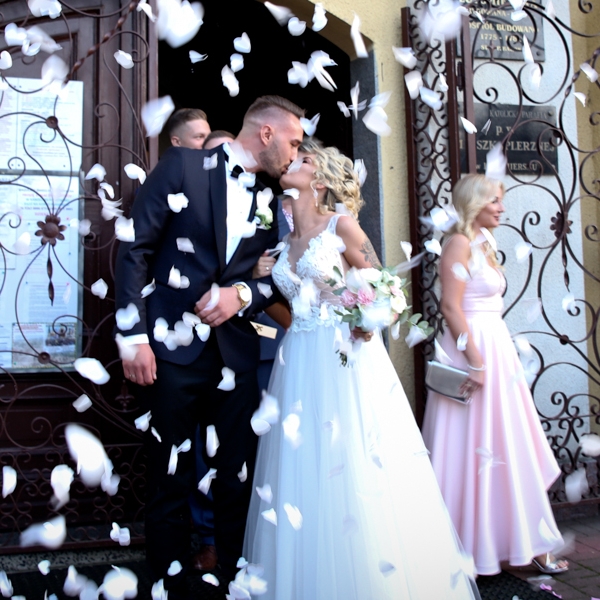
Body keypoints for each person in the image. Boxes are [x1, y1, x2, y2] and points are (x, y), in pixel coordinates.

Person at [243, 139, 480, 600]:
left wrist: (370, 321)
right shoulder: (283, 242)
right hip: (298, 361)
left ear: (321, 180)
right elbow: (285, 309)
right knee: (301, 466)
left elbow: (389, 291)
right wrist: (258, 278)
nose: (292, 160)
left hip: (344, 360)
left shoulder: (341, 226)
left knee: (350, 461)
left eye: (304, 159)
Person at [115, 95, 305, 597]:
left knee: (236, 476)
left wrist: (241, 294)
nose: (294, 154)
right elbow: (135, 249)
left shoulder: (269, 200)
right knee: (170, 477)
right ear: (266, 133)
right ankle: (169, 584)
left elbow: (274, 280)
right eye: (293, 142)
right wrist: (133, 336)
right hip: (171, 353)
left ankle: (234, 578)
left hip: (235, 356)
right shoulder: (181, 165)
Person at [421, 174, 568, 576]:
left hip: (496, 347)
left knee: (507, 442)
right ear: (474, 204)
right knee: (470, 446)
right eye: (495, 202)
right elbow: (450, 308)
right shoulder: (458, 243)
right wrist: (476, 361)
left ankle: (526, 541)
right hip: (472, 350)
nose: (502, 208)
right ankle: (465, 546)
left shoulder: (485, 242)